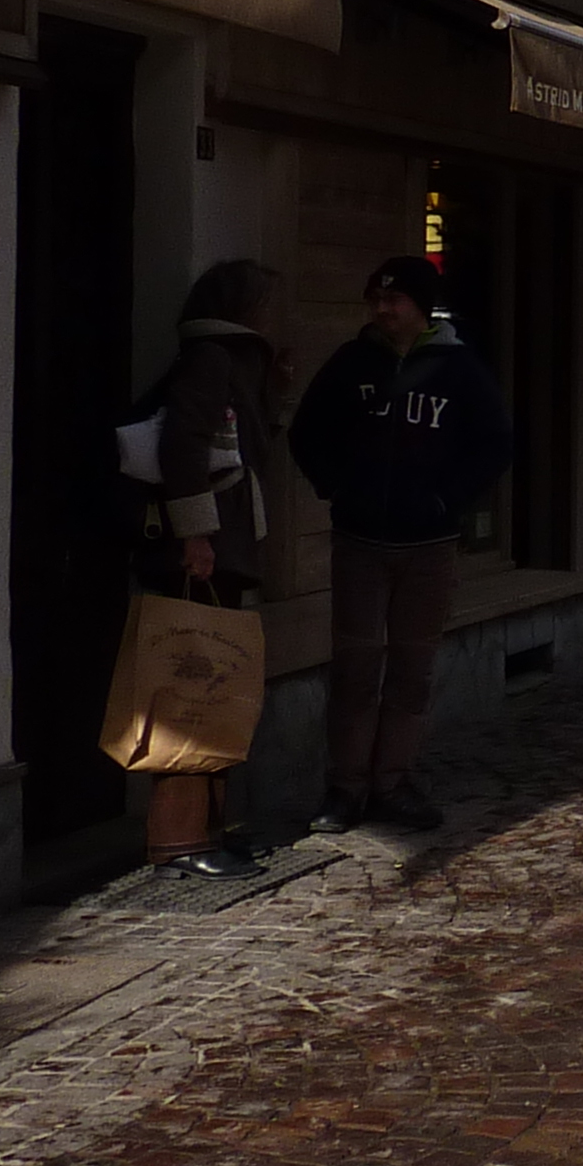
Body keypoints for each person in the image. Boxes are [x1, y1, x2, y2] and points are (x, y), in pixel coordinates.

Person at [288, 256, 512, 834]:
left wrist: (447, 498)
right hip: (360, 539)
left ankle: (393, 781)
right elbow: (308, 431)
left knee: (413, 668)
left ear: (421, 306)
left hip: (429, 545)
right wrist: (336, 486)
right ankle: (345, 787)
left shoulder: (459, 370)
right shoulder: (352, 363)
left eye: (395, 300)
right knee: (355, 668)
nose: (383, 310)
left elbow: (495, 443)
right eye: (376, 300)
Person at [133, 262, 283, 877]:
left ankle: (208, 830)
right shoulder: (213, 359)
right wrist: (195, 532)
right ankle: (179, 839)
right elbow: (182, 448)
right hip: (207, 548)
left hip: (223, 542)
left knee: (217, 680)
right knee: (193, 685)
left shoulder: (234, 360)